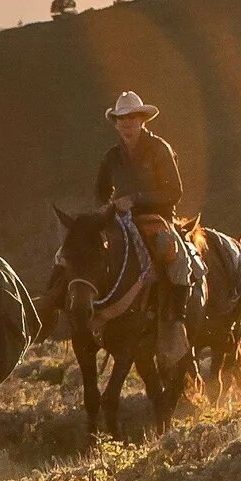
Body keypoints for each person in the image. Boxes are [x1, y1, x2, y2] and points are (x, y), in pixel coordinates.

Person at [93, 89, 197, 349]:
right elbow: (100, 193)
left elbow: (174, 191)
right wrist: (107, 210)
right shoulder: (111, 156)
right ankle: (92, 315)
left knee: (177, 258)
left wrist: (136, 199)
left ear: (142, 120)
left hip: (156, 217)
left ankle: (178, 320)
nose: (126, 124)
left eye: (131, 118)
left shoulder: (159, 149)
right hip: (121, 221)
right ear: (116, 123)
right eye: (121, 119)